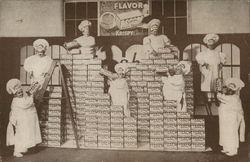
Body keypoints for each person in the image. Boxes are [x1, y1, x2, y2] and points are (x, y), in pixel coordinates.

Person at [6, 79, 41, 157]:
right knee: (20, 135)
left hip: (23, 120)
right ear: (15, 94)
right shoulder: (16, 100)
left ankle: (23, 149)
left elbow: (27, 103)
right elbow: (26, 105)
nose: (21, 93)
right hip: (19, 121)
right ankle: (16, 151)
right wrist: (31, 96)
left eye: (21, 92)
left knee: (25, 134)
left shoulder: (21, 99)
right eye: (18, 93)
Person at [217, 78, 245, 156]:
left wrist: (218, 91)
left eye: (231, 89)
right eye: (228, 88)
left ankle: (233, 150)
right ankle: (226, 148)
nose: (229, 90)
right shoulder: (227, 96)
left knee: (231, 133)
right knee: (224, 132)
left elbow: (221, 97)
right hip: (225, 118)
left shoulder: (234, 97)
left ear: (235, 90)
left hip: (232, 118)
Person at [196, 34, 226, 103]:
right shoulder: (203, 53)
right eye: (209, 44)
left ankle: (216, 97)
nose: (211, 46)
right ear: (207, 45)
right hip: (207, 70)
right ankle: (207, 98)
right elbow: (199, 59)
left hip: (215, 69)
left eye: (212, 45)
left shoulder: (218, 53)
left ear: (214, 45)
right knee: (207, 83)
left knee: (216, 82)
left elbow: (223, 60)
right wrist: (204, 64)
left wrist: (221, 64)